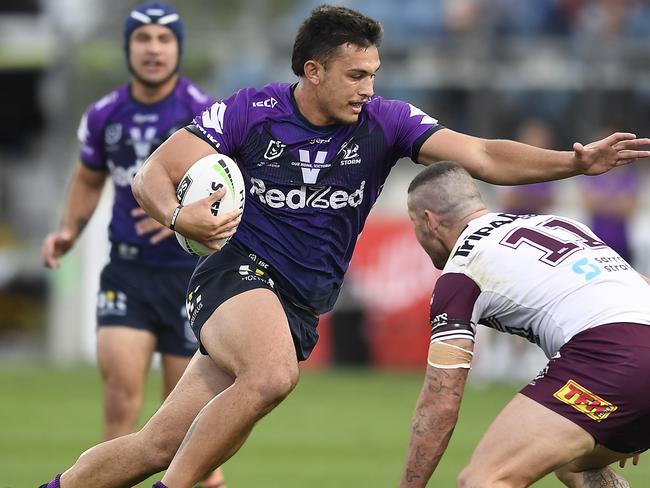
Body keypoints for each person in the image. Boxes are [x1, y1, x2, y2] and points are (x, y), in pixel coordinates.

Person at [40, 5, 650, 488]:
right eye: (356, 75)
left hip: (300, 306)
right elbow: (155, 172)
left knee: (154, 443)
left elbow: (484, 155)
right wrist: (180, 217)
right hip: (237, 272)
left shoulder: (385, 121)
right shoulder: (251, 112)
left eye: (373, 75)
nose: (368, 87)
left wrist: (574, 162)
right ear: (313, 71)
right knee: (272, 374)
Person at [40, 3, 225, 487]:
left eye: (164, 40)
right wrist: (67, 231)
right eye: (143, 39)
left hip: (190, 279)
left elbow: (227, 188)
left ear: (178, 49)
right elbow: (87, 179)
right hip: (126, 271)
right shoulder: (105, 115)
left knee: (186, 424)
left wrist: (177, 219)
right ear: (128, 48)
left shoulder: (202, 112)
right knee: (120, 400)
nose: (153, 49)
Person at [400, 161, 650, 487]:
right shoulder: (557, 223)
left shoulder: (462, 269)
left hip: (611, 357)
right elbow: (639, 283)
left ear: (428, 222)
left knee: (483, 480)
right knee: (575, 464)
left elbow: (441, 401)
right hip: (630, 357)